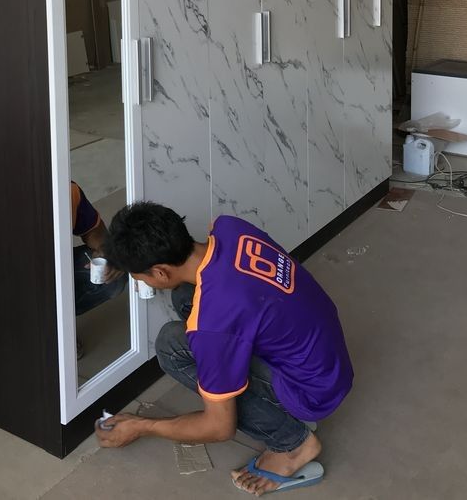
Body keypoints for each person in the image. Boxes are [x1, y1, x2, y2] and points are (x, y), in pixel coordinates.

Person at [97, 202, 354, 495]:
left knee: (171, 346)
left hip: (313, 390)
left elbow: (219, 428)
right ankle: (267, 396)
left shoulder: (211, 326)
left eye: (139, 277)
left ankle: (293, 445)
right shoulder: (229, 227)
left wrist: (143, 426)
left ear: (160, 272)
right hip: (325, 354)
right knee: (185, 294)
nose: (139, 281)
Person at [71, 180, 126, 319]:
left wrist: (106, 250)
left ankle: (58, 324)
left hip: (53, 268)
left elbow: (93, 230)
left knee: (111, 274)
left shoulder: (67, 190)